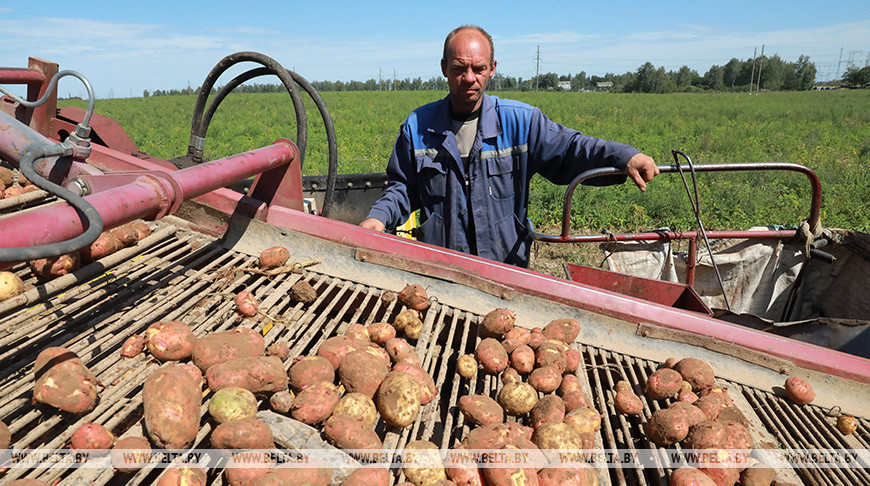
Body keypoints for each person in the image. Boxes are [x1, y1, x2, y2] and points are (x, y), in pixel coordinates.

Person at [360, 25, 659, 267]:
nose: (469, 78)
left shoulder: (520, 122)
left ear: (492, 68)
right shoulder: (417, 127)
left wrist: (624, 156)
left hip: (506, 268)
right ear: (444, 68)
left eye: (478, 68)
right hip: (442, 269)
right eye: (459, 68)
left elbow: (571, 149)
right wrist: (378, 217)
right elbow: (402, 186)